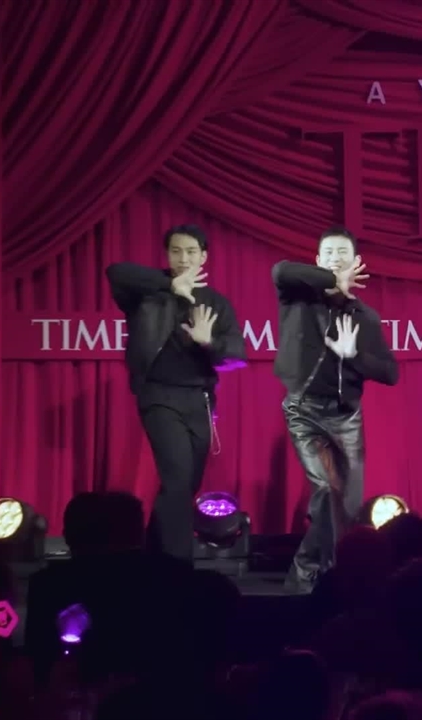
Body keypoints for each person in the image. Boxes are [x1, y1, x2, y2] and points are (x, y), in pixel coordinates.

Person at [105, 224, 245, 561]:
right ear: (167, 255)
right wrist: (169, 284)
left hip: (199, 401)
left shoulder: (216, 302)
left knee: (183, 487)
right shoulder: (148, 294)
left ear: (203, 257)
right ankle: (178, 566)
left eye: (191, 252)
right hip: (159, 397)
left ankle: (151, 555)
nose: (184, 259)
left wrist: (208, 342)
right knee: (178, 480)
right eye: (176, 251)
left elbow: (236, 355)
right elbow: (116, 273)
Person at [272, 225, 399, 592]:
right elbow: (280, 270)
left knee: (347, 507)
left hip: (346, 417)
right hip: (304, 411)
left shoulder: (364, 316)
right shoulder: (297, 300)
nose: (335, 259)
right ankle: (309, 578)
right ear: (317, 261)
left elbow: (390, 373)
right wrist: (332, 280)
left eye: (342, 254)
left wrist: (354, 355)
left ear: (356, 261)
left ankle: (326, 576)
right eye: (328, 254)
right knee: (327, 490)